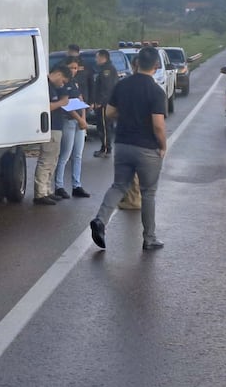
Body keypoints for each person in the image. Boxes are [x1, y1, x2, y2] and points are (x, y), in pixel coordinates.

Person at [89, 46, 167, 250]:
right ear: (156, 66)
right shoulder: (156, 91)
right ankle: (149, 238)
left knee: (119, 186)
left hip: (123, 144)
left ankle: (100, 220)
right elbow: (158, 124)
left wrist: (126, 116)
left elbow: (109, 113)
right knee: (148, 193)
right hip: (147, 148)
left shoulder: (122, 85)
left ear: (137, 63)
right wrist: (162, 145)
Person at [33, 64, 72, 205]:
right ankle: (40, 193)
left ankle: (47, 190)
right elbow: (46, 106)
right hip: (48, 127)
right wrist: (62, 102)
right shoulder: (45, 86)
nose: (63, 84)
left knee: (53, 160)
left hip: (56, 126)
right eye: (63, 81)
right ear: (59, 74)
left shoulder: (54, 87)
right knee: (46, 160)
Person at [54, 56, 91, 199]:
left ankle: (77, 185)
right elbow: (67, 104)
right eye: (71, 68)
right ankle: (59, 185)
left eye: (75, 68)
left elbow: (80, 100)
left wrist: (83, 119)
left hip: (79, 122)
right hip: (68, 120)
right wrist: (79, 119)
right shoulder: (62, 84)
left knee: (78, 155)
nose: (73, 71)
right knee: (65, 154)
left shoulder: (75, 83)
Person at [92, 49, 119, 157]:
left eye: (97, 57)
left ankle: (106, 148)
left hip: (105, 104)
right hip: (106, 103)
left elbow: (107, 88)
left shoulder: (107, 71)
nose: (96, 60)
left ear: (103, 58)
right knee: (104, 126)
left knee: (104, 126)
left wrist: (100, 102)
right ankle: (104, 147)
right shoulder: (104, 69)